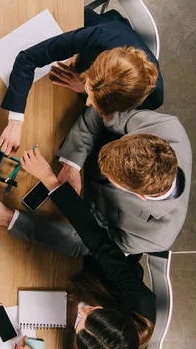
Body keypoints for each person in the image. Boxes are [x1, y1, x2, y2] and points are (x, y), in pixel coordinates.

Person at [0, 154, 156, 349]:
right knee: (81, 237)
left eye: (79, 319)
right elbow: (98, 242)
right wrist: (51, 181)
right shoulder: (139, 301)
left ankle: (12, 219)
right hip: (108, 261)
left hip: (85, 279)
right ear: (115, 315)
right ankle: (11, 219)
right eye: (90, 311)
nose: (80, 309)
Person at [0, 8, 163, 155]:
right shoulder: (98, 36)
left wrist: (84, 89)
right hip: (95, 24)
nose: (89, 102)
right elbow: (27, 58)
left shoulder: (153, 99)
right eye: (91, 94)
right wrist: (15, 121)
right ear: (92, 67)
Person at [55, 107, 192, 253]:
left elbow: (91, 243)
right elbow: (100, 110)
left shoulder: (154, 237)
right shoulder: (166, 126)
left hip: (77, 214)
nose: (102, 171)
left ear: (140, 195)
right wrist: (72, 163)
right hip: (74, 147)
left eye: (110, 176)